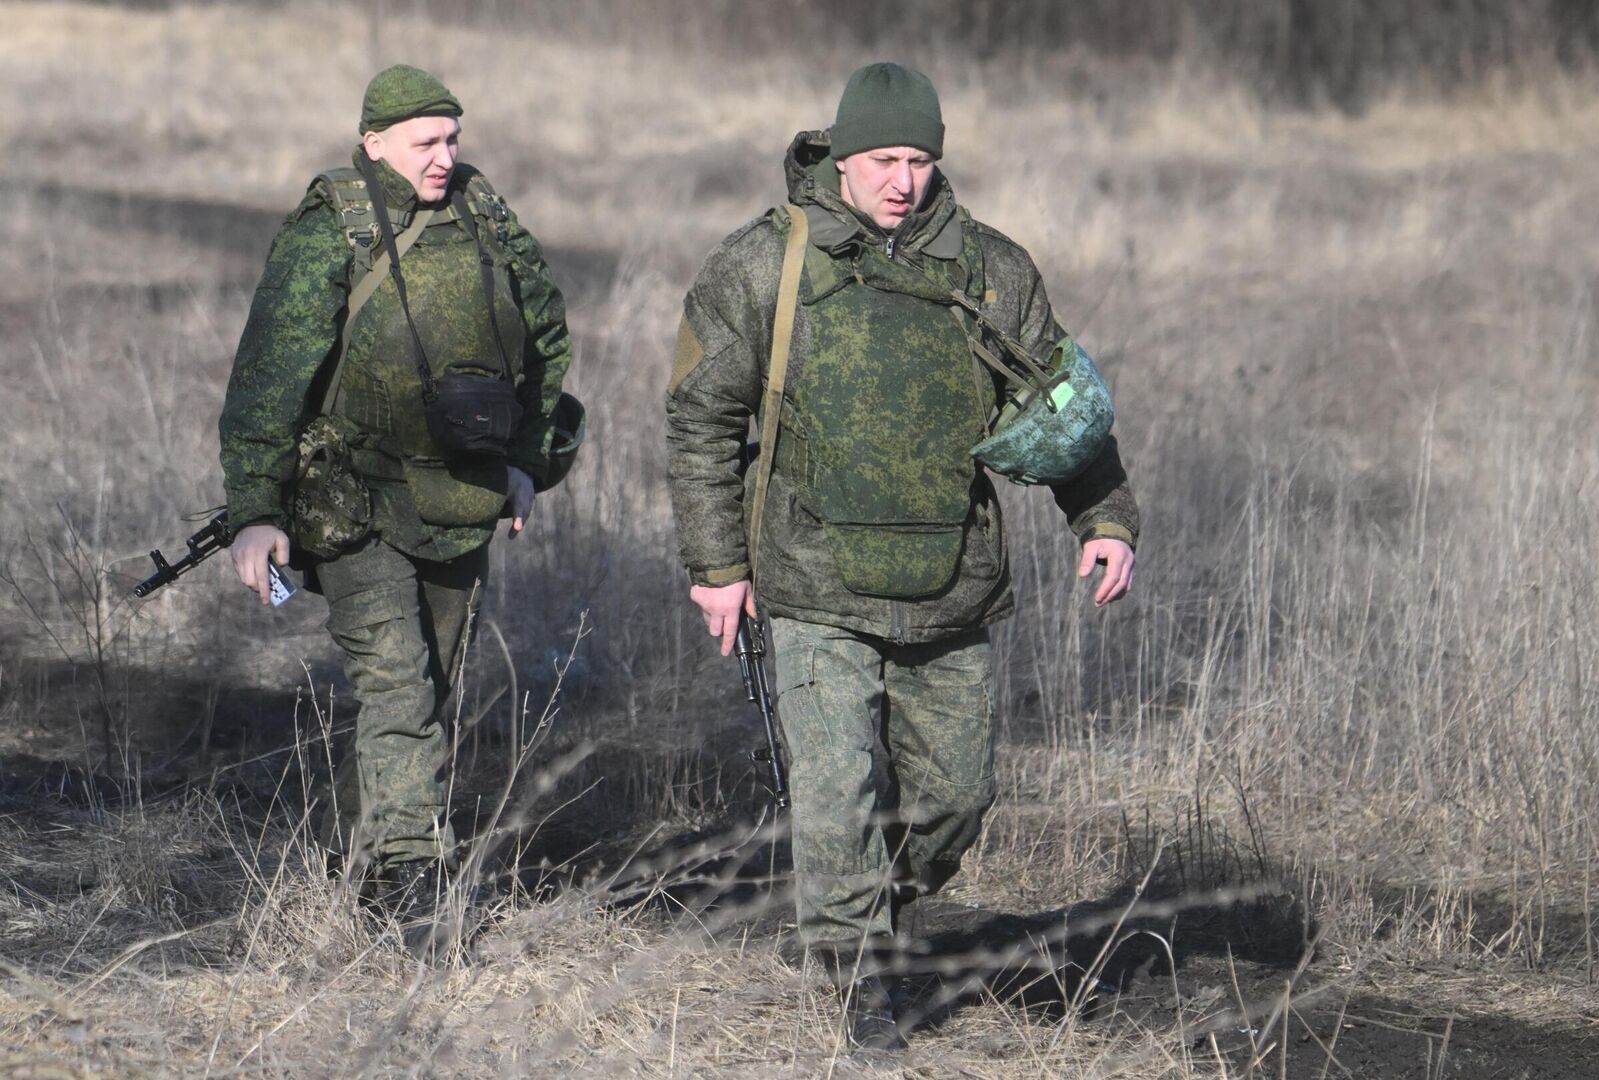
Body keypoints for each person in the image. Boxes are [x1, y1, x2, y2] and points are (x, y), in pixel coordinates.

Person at [666, 61, 1137, 1050]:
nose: (902, 179)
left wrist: (1103, 520)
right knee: (836, 794)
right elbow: (703, 417)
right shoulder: (765, 265)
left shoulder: (991, 270)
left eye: (920, 159)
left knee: (954, 803)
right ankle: (853, 979)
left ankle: (860, 903)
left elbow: (1063, 409)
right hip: (809, 581)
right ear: (840, 155)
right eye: (883, 158)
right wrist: (718, 568)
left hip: (951, 588)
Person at [218, 64, 574, 951]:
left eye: (454, 138)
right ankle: (410, 894)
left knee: (428, 699)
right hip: (353, 502)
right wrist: (257, 510)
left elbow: (547, 342)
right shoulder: (332, 223)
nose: (446, 156)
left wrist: (530, 460)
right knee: (398, 686)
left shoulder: (486, 217)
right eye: (426, 142)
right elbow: (269, 375)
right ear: (373, 142)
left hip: (460, 495)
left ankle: (354, 860)